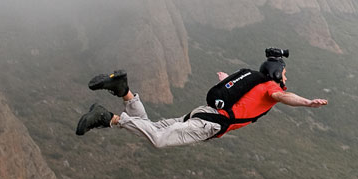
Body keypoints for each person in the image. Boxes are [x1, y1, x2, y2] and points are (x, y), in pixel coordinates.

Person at [75, 48, 327, 146]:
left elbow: (234, 91)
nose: (286, 78)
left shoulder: (255, 82)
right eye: (285, 73)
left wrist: (223, 78)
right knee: (159, 140)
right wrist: (307, 103)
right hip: (212, 123)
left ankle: (124, 91)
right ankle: (109, 118)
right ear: (277, 73)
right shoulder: (271, 89)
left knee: (151, 127)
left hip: (205, 113)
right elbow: (284, 97)